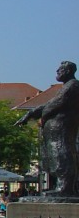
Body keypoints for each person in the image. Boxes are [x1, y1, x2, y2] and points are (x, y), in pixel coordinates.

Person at [15, 60, 79, 196]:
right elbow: (50, 104)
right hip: (57, 130)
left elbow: (52, 105)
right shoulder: (68, 86)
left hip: (61, 128)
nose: (57, 71)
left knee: (61, 153)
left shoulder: (72, 86)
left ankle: (65, 187)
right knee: (58, 153)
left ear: (67, 71)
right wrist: (29, 114)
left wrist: (34, 114)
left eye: (60, 70)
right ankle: (64, 186)